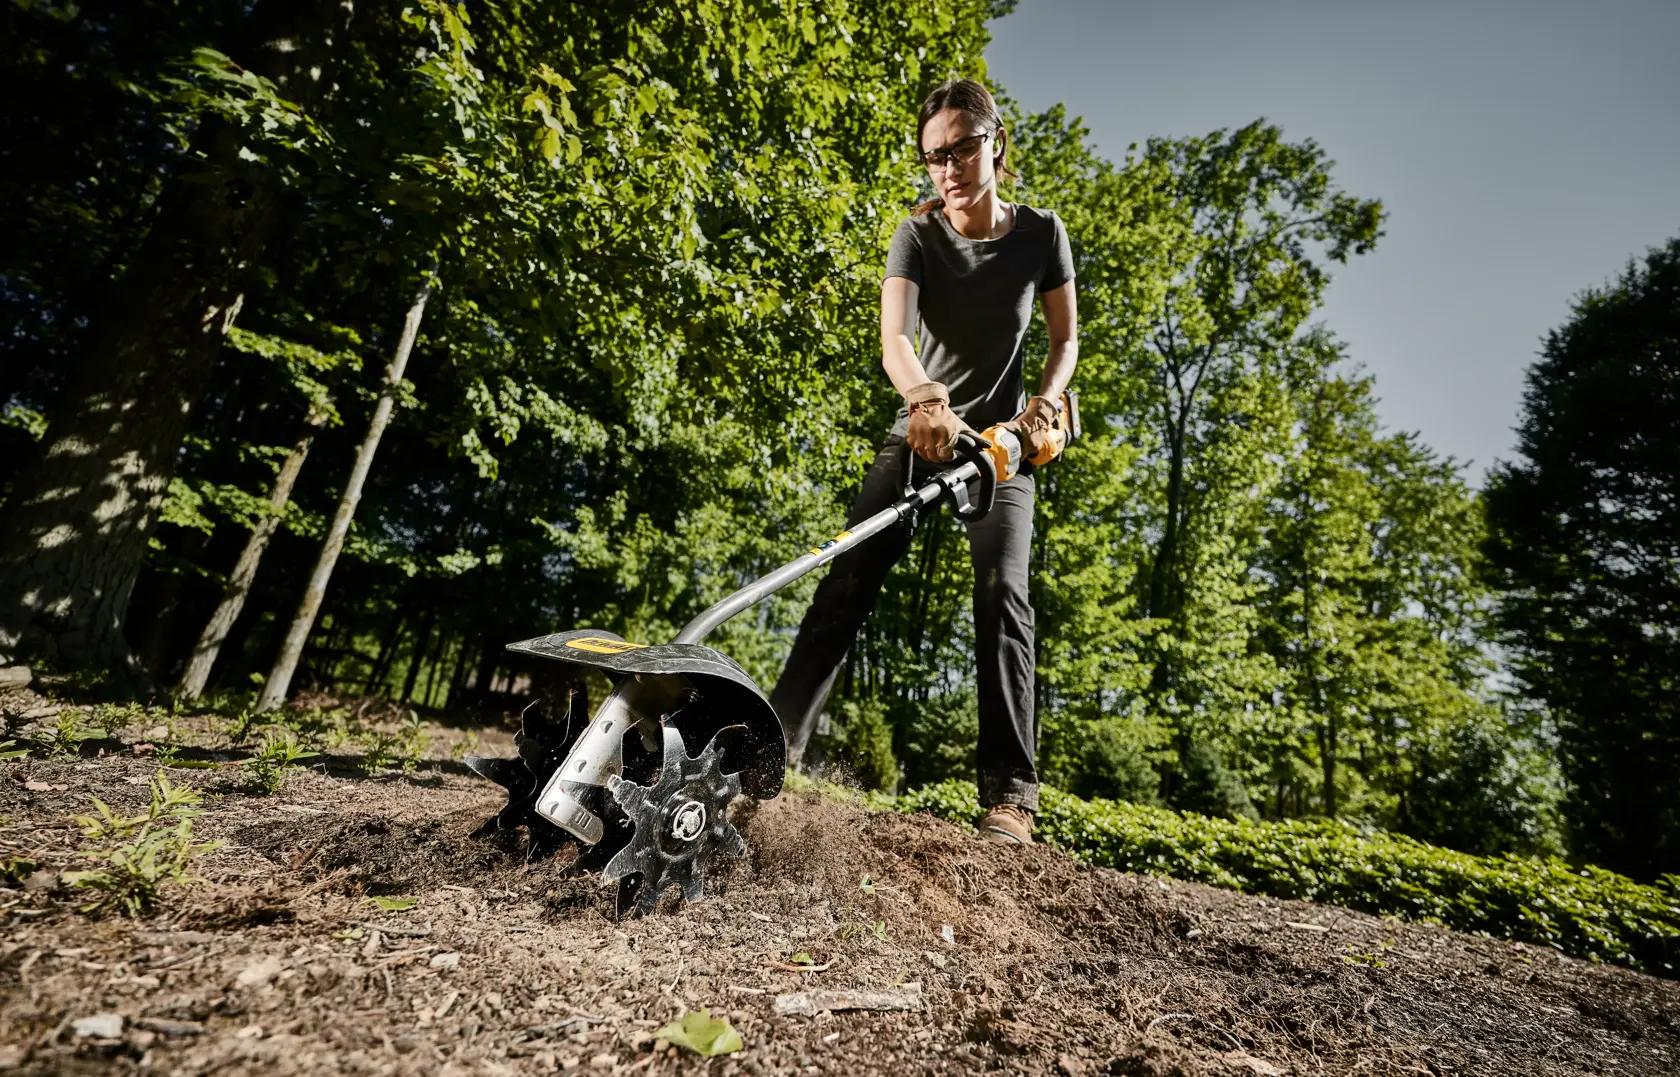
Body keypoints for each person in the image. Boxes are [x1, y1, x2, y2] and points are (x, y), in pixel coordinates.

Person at [769, 78, 1078, 845]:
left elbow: (1065, 340)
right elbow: (895, 339)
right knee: (847, 575)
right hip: (926, 432)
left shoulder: (1042, 235)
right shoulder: (916, 234)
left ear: (995, 142)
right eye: (934, 156)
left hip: (999, 450)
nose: (948, 167)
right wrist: (925, 398)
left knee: (1004, 593)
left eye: (962, 148)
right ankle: (769, 751)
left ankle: (1010, 798)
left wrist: (1044, 404)